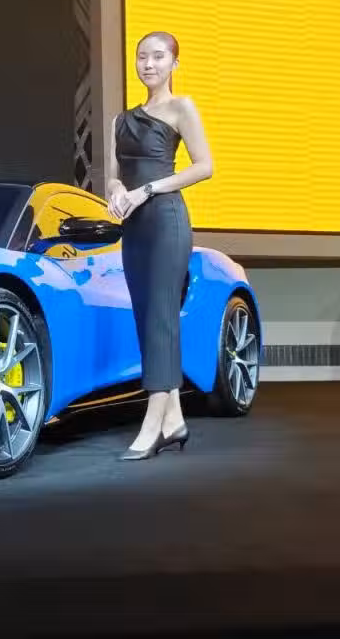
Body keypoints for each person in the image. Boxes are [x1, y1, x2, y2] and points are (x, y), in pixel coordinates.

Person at [106, 31, 214, 460]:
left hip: (167, 221)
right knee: (145, 318)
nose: (148, 64)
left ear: (174, 64)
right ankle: (174, 420)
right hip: (134, 227)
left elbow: (204, 166)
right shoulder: (120, 120)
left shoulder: (181, 107)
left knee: (162, 319)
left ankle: (153, 422)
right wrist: (117, 191)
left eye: (157, 56)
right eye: (141, 57)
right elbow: (112, 174)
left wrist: (146, 190)